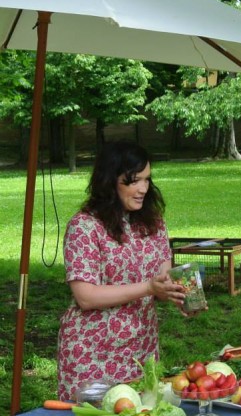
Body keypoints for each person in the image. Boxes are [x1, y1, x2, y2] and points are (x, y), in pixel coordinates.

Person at [57, 141, 193, 401]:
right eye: (133, 181)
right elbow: (86, 297)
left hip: (142, 349)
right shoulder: (85, 227)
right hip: (92, 353)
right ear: (110, 181)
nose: (143, 189)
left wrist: (180, 294)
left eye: (147, 180)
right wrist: (148, 288)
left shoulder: (152, 222)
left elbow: (162, 279)